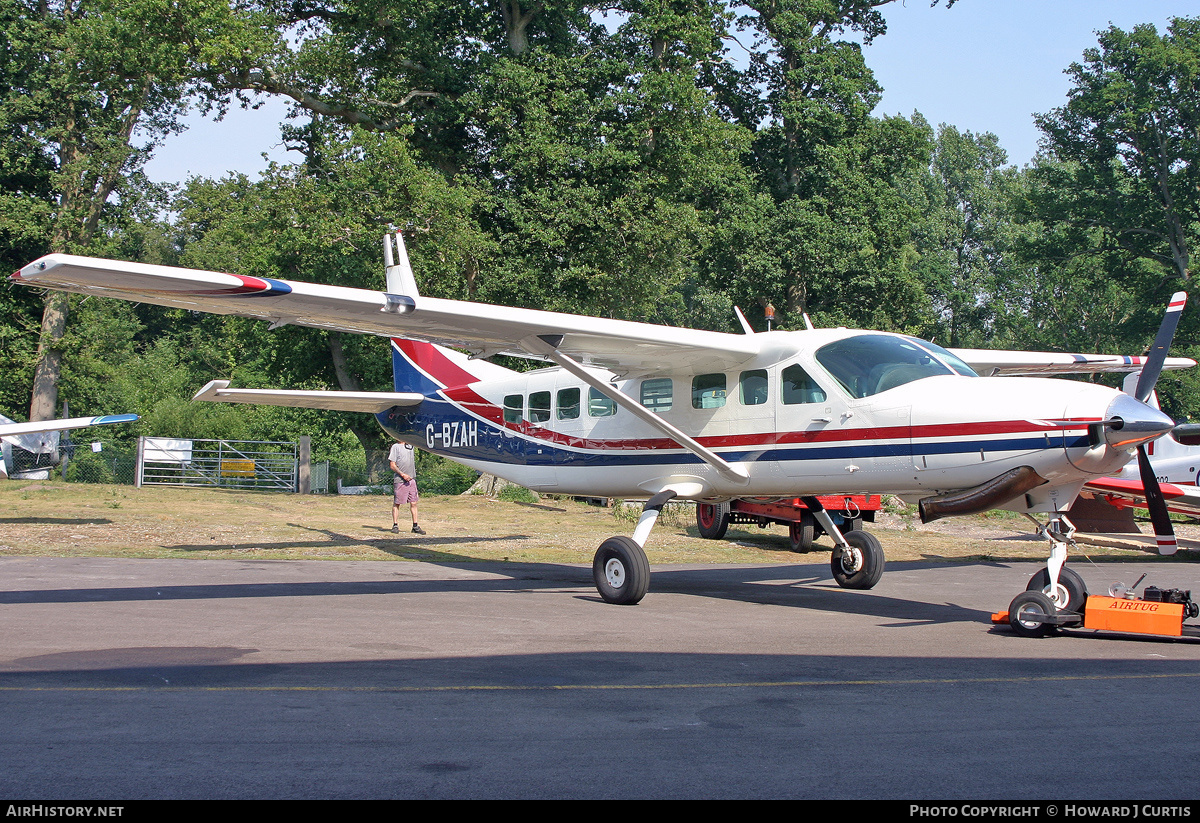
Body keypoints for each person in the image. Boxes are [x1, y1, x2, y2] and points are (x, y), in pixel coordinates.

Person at [388, 440, 425, 535]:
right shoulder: (395, 447)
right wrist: (402, 474)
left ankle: (415, 526)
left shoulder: (411, 445)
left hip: (411, 479)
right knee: (397, 503)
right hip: (400, 480)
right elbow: (392, 465)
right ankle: (395, 525)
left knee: (413, 503)